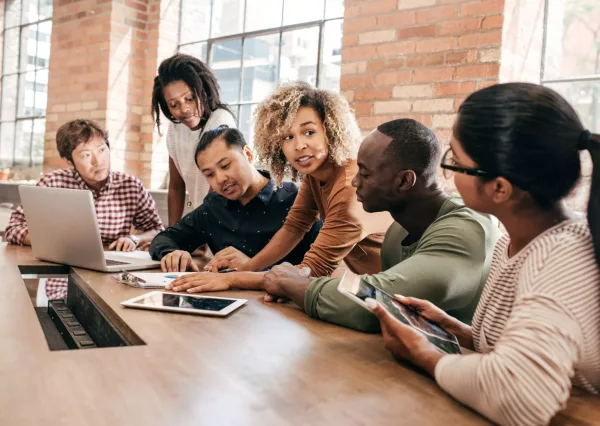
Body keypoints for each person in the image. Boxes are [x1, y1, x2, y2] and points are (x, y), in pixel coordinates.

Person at [365, 83, 600, 426]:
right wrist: (457, 331)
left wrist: (423, 353)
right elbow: (535, 344)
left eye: (456, 162)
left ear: (500, 188)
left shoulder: (561, 257)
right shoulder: (520, 238)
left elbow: (518, 393)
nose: (449, 174)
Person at [260, 119, 501, 330]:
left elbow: (374, 305)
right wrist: (296, 286)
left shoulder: (467, 229)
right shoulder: (397, 234)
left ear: (405, 180)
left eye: (364, 174)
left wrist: (289, 282)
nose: (354, 181)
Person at [201, 82, 393, 289]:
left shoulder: (350, 187)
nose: (299, 146)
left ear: (330, 130)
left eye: (309, 132)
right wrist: (246, 269)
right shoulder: (316, 175)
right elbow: (295, 226)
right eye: (288, 137)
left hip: (404, 292)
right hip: (382, 286)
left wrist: (230, 279)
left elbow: (312, 271)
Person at [4, 119, 164, 298]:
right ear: (69, 160)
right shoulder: (51, 183)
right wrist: (50, 242)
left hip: (114, 274)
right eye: (86, 155)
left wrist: (134, 238)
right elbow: (13, 229)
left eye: (102, 150)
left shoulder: (131, 186)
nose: (98, 161)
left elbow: (157, 230)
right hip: (65, 273)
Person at [149, 125, 321, 292]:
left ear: (248, 154)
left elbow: (315, 273)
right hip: (224, 307)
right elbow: (164, 238)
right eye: (210, 174)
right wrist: (172, 253)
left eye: (225, 166)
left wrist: (251, 267)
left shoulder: (298, 202)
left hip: (284, 313)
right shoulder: (213, 207)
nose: (220, 178)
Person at [152, 53, 237, 226]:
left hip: (228, 220)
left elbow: (217, 190)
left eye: (190, 98)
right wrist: (173, 235)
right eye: (174, 105)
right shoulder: (175, 130)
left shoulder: (220, 120)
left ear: (203, 90)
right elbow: (176, 187)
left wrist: (198, 235)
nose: (184, 109)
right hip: (204, 221)